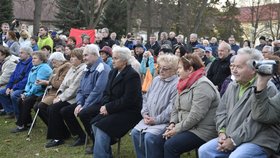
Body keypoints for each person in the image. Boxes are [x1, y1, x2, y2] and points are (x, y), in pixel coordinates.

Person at [198, 47, 279, 158]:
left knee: (236, 157)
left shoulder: (266, 87)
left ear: (253, 69)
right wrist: (222, 132)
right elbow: (221, 111)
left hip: (259, 139)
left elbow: (256, 123)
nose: (234, 70)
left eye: (239, 67)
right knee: (205, 150)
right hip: (231, 135)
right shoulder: (232, 85)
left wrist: (234, 140)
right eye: (233, 66)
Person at [45, 44, 110, 148]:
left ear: (94, 55)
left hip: (99, 102)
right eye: (83, 56)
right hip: (84, 100)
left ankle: (95, 141)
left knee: (80, 112)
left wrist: (83, 105)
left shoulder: (102, 68)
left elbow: (97, 91)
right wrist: (80, 103)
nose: (84, 58)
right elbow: (80, 89)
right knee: (61, 110)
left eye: (86, 55)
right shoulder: (87, 68)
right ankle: (80, 136)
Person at [162, 54, 220, 158]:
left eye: (179, 68)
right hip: (189, 127)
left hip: (202, 131)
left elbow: (195, 116)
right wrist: (172, 123)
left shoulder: (203, 86)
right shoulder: (184, 83)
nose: (177, 71)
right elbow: (176, 107)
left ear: (190, 69)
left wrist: (176, 129)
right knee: (159, 138)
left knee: (171, 145)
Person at [91, 46, 142, 158]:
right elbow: (106, 92)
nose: (112, 61)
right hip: (114, 108)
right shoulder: (113, 72)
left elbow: (128, 100)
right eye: (113, 58)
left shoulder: (132, 75)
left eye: (116, 58)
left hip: (129, 111)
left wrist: (108, 108)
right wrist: (105, 105)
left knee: (101, 127)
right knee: (94, 124)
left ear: (124, 61)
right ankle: (105, 154)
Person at [131, 54, 179, 158]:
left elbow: (172, 108)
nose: (161, 71)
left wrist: (156, 120)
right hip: (149, 118)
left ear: (174, 70)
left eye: (165, 69)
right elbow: (146, 98)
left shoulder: (177, 84)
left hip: (165, 122)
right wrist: (145, 114)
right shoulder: (156, 79)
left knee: (149, 137)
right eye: (159, 67)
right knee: (135, 133)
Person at [11, 51, 52, 133]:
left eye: (35, 58)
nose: (32, 60)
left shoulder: (43, 68)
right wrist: (25, 92)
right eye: (32, 58)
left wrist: (27, 94)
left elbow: (37, 85)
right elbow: (29, 83)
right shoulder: (34, 67)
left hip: (41, 92)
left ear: (41, 59)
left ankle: (21, 125)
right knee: (20, 99)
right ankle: (28, 122)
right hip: (32, 91)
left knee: (25, 101)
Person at [33, 52, 71, 125]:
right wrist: (47, 82)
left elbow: (59, 84)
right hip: (52, 91)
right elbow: (53, 81)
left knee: (41, 106)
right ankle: (51, 125)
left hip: (59, 92)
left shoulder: (66, 67)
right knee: (36, 106)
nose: (53, 65)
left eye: (54, 62)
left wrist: (49, 82)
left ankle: (57, 126)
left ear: (59, 60)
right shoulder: (56, 68)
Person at [0, 46, 32, 119]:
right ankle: (11, 112)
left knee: (14, 95)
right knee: (1, 92)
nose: (19, 54)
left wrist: (13, 88)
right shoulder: (20, 63)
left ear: (28, 54)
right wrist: (8, 87)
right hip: (16, 85)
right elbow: (12, 76)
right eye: (19, 53)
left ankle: (19, 116)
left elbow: (26, 80)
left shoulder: (30, 64)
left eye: (21, 53)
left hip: (25, 87)